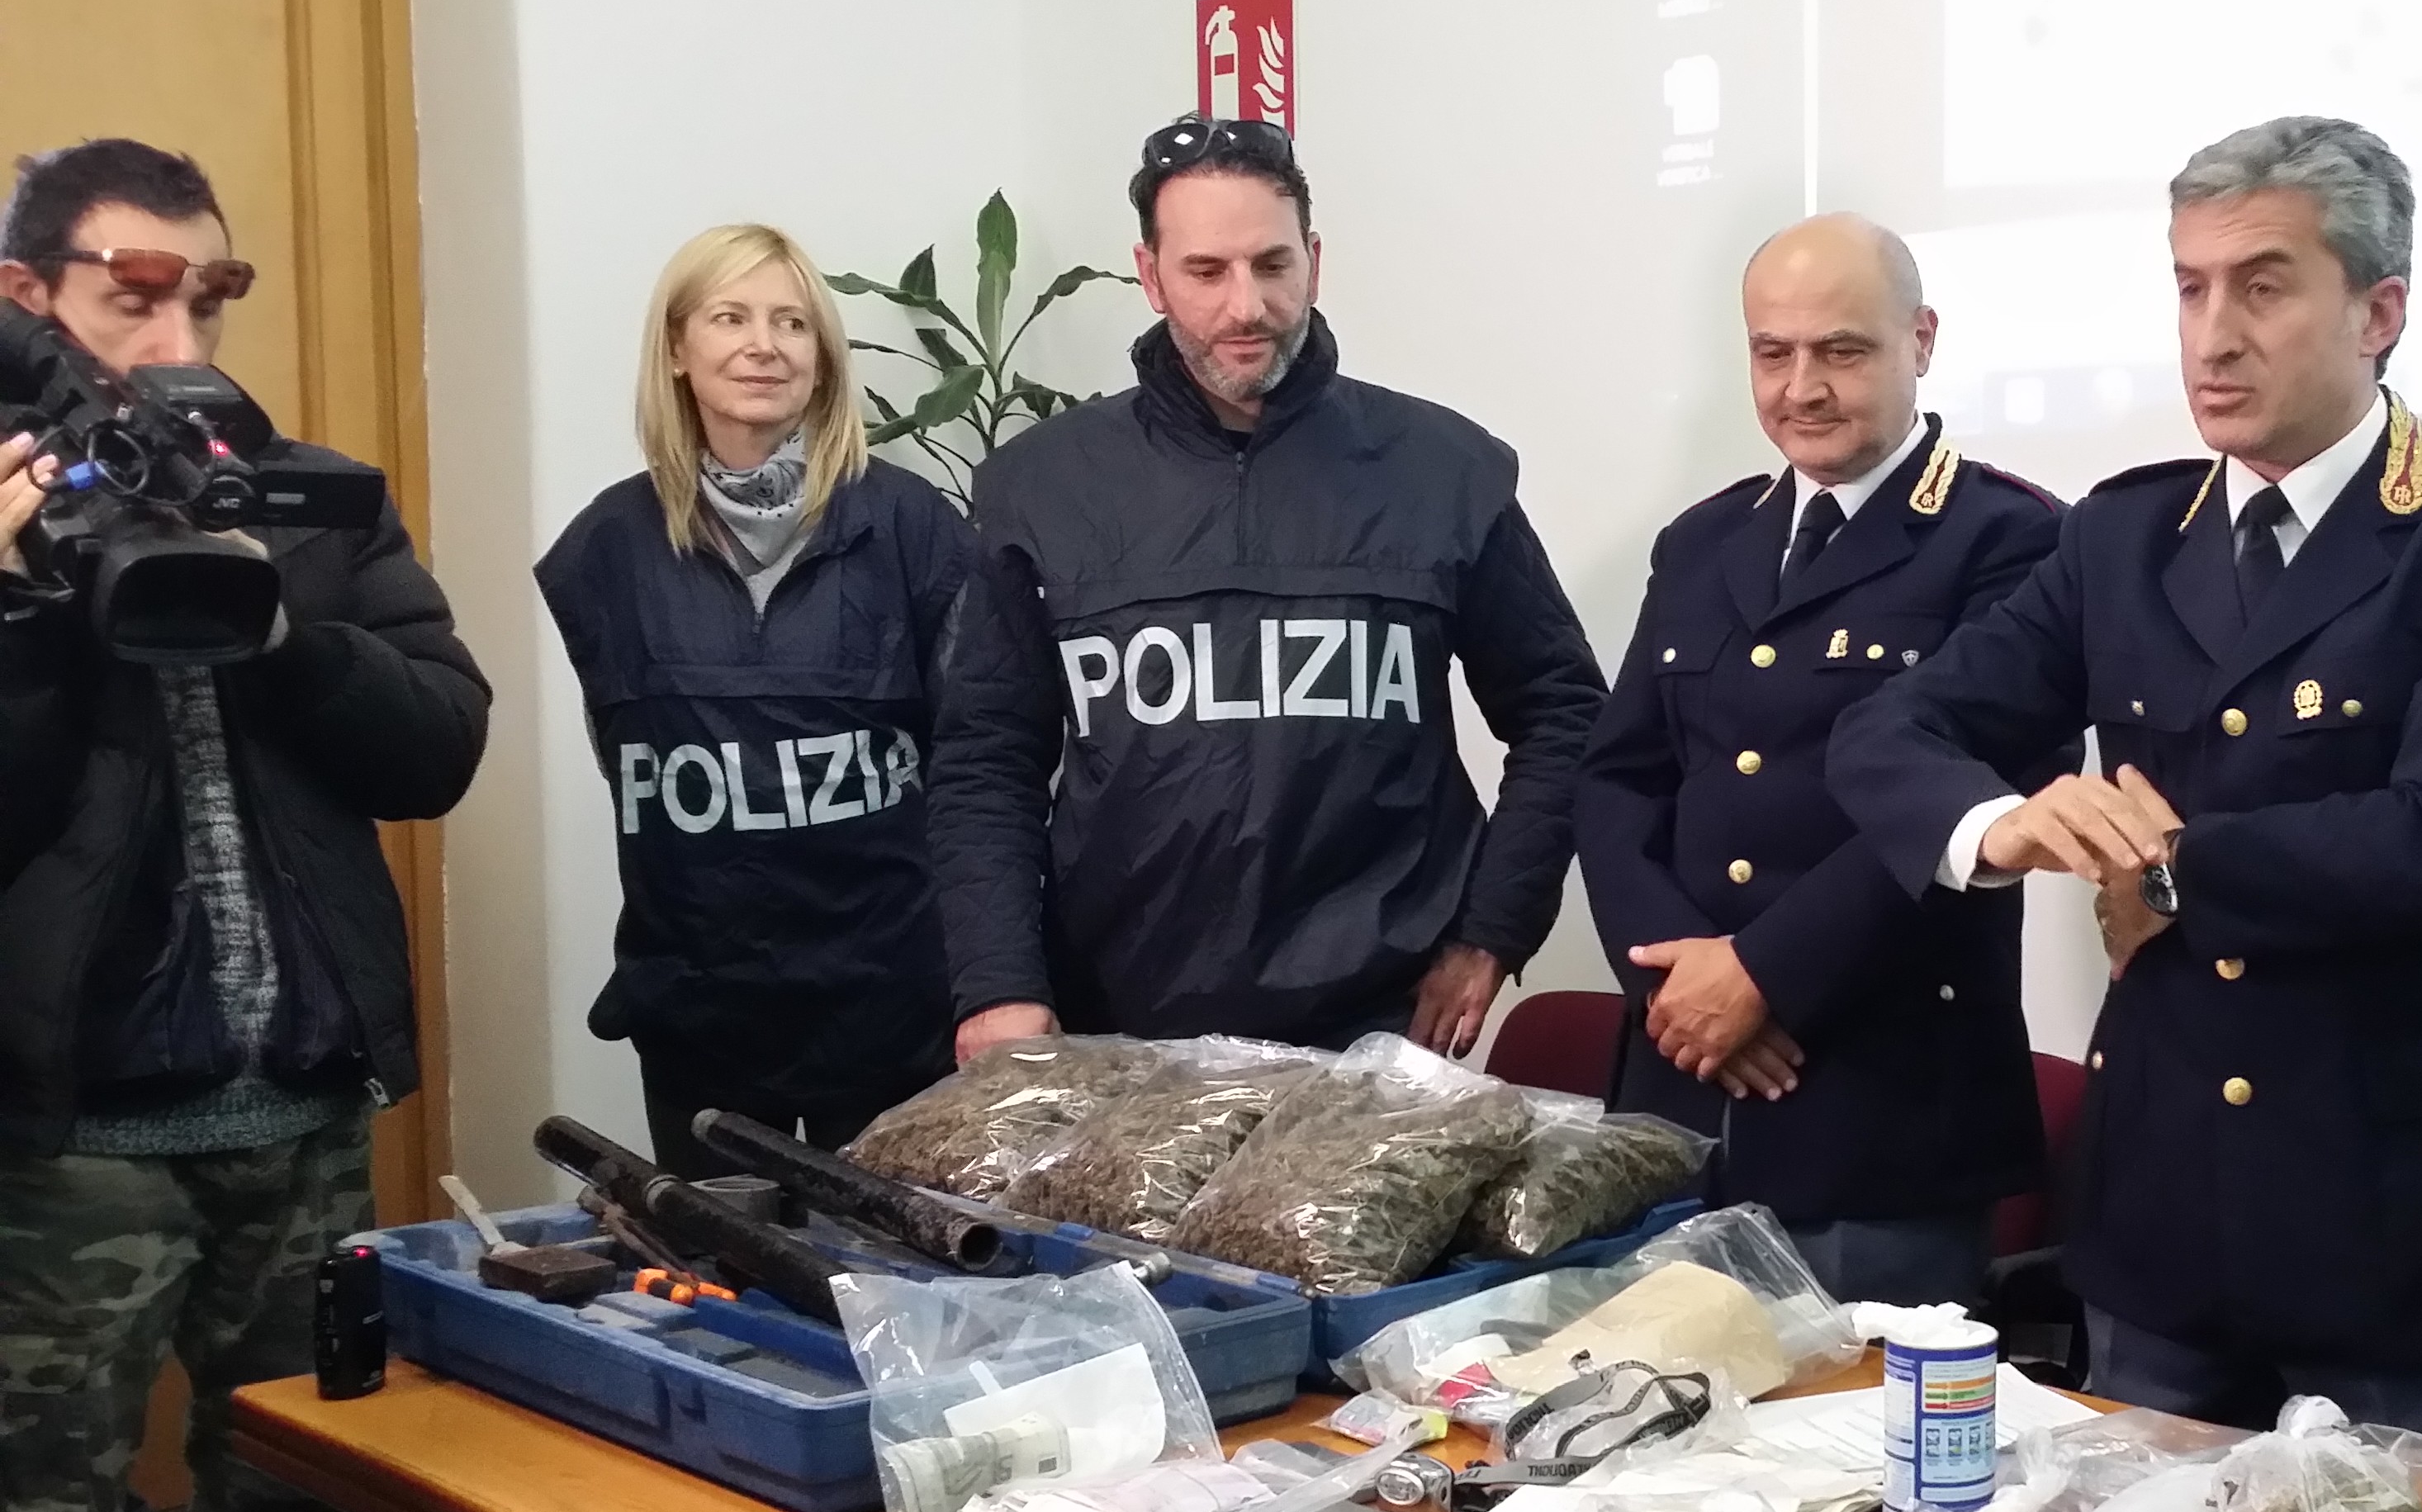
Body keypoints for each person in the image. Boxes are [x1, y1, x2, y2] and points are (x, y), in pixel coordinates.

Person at [1826, 118, 2422, 1457]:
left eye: (2262, 286)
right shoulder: (2125, 535)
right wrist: (2001, 822)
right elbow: (1889, 729)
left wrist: (2170, 871)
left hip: (2390, 1236)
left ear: (2378, 312)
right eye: (2189, 288)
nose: (2213, 335)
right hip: (2162, 1230)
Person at [0, 140, 484, 1512]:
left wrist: (277, 625)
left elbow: (438, 743)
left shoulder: (302, 493)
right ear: (28, 297)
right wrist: (19, 610)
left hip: (298, 1104)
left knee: (284, 1508)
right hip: (73, 1139)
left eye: (209, 295)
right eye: (134, 294)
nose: (180, 332)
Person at [932, 116, 1604, 1060]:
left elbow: (1564, 712)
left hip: (1377, 1029)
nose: (1246, 306)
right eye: (1206, 271)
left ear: (1314, 263)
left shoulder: (1444, 469)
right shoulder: (1041, 486)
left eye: (1272, 264)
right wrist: (999, 984)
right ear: (1151, 274)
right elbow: (987, 759)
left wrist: (1493, 930)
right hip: (1118, 1022)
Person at [1577, 214, 2061, 1306]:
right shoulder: (1705, 541)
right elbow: (1619, 779)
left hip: (1878, 1115)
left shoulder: (2013, 540)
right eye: (1773, 352)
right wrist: (1676, 985)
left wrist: (1761, 977)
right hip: (1681, 1098)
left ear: (1920, 340)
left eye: (1841, 351)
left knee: (1864, 1417)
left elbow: (1979, 810)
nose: (1802, 388)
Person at [536, 225, 981, 1178]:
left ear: (822, 357)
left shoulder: (914, 530)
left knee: (894, 1258)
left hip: (890, 1011)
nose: (762, 345)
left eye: (792, 322)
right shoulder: (604, 551)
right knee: (725, 1264)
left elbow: (973, 767)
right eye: (730, 318)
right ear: (677, 347)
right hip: (702, 1015)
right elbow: (629, 762)